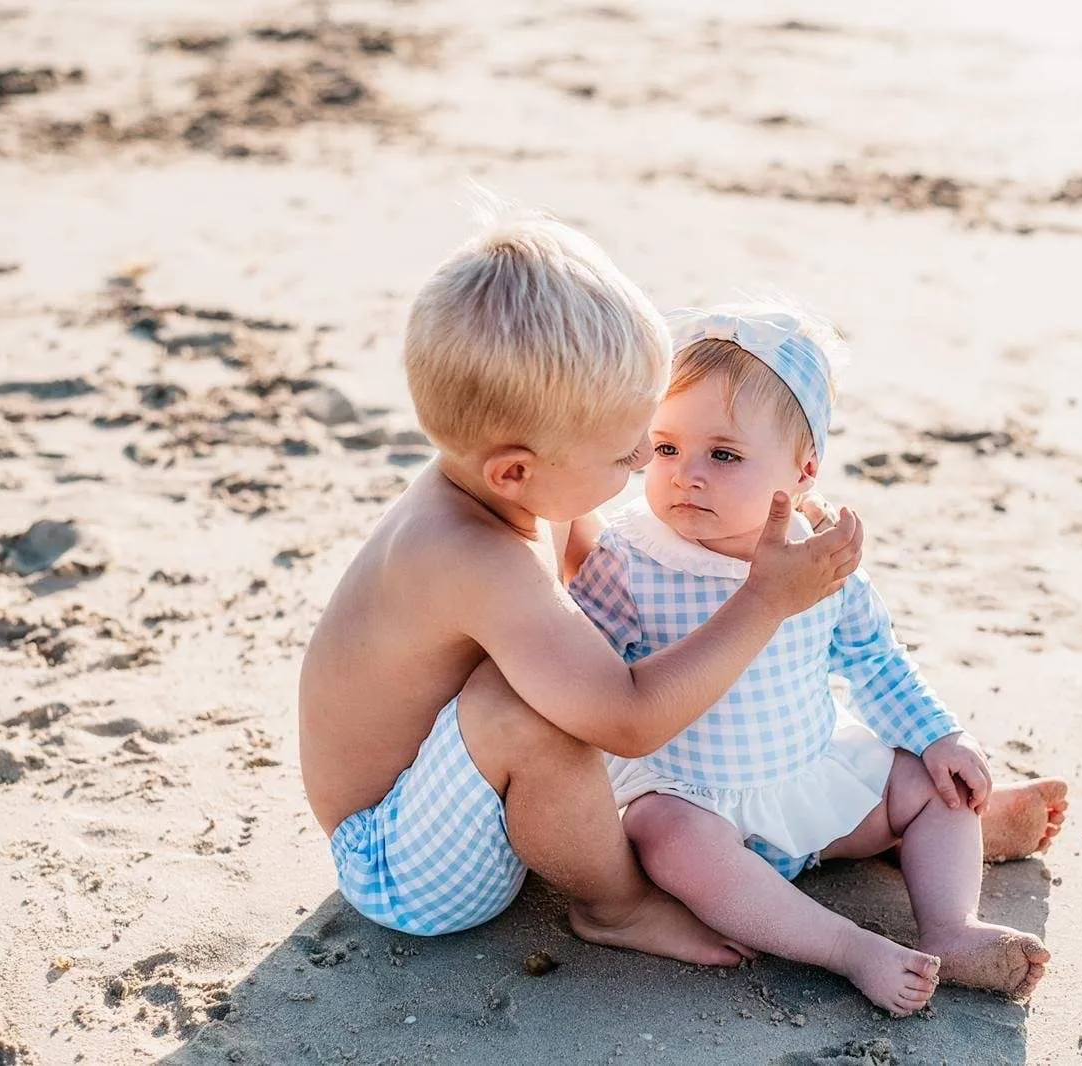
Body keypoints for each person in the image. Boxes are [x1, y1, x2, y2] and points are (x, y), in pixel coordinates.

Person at [297, 209, 866, 967]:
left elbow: (613, 577)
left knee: (594, 669)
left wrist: (726, 550)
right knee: (530, 710)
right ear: (515, 470)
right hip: (399, 866)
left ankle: (845, 809)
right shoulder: (472, 556)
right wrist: (762, 600)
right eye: (626, 452)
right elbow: (627, 722)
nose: (641, 463)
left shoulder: (515, 493)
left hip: (453, 802)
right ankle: (617, 907)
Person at [568, 303, 1065, 1013]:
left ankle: (951, 924)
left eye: (724, 455)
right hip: (695, 795)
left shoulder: (820, 558)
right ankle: (848, 946)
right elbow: (589, 673)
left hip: (811, 775)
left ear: (802, 473)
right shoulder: (631, 557)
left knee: (933, 783)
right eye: (666, 448)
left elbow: (874, 661)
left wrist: (939, 734)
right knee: (666, 837)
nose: (686, 476)